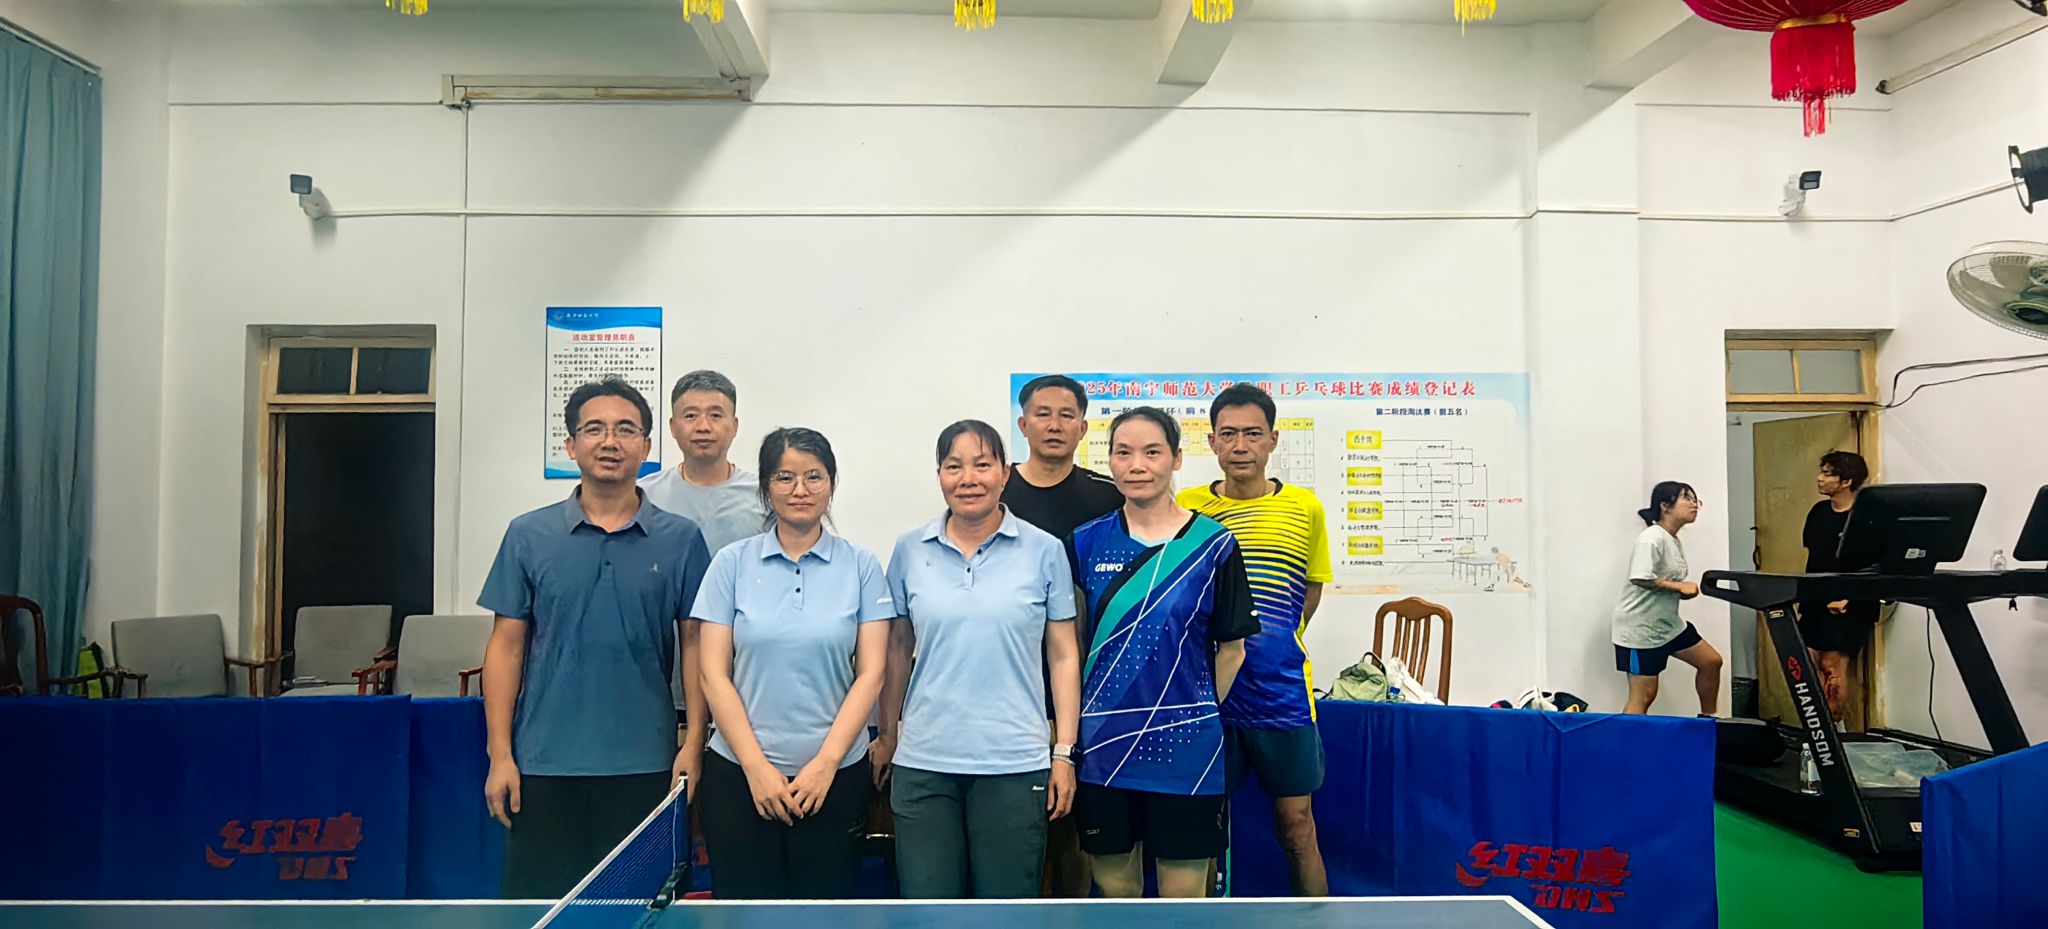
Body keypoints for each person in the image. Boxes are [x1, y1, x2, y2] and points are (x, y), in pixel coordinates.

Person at [479, 376, 712, 898]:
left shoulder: (681, 540)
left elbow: (697, 645)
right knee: (543, 911)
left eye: (626, 429)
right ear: (571, 445)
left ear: (646, 447)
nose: (610, 441)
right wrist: (500, 755)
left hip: (647, 764)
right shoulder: (528, 534)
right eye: (595, 429)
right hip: (543, 764)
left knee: (642, 911)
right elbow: (506, 647)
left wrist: (694, 742)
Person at [873, 420, 1082, 898]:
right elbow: (897, 648)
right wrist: (887, 735)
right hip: (925, 760)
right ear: (939, 475)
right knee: (928, 909)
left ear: (1005, 474)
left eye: (982, 465)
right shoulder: (910, 549)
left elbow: (1063, 656)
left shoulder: (1044, 550)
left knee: (1006, 911)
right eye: (954, 466)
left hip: (1014, 761)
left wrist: (1064, 752)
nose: (968, 479)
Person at [691, 427, 893, 899]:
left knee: (823, 913)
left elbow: (872, 674)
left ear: (831, 484)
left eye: (813, 476)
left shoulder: (861, 565)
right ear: (766, 487)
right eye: (784, 477)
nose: (799, 489)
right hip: (739, 775)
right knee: (744, 913)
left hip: (835, 778)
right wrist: (755, 768)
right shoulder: (731, 563)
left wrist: (826, 764)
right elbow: (712, 674)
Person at [1068, 407, 1260, 898]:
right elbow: (1071, 646)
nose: (1137, 465)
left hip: (1186, 750)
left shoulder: (1214, 545)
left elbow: (1232, 649)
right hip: (1103, 749)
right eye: (1123, 453)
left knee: (1184, 901)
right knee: (1115, 892)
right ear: (1110, 461)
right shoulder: (1085, 543)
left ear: (1176, 459)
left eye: (1152, 452)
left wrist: (1191, 711)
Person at [1176, 384, 1332, 896]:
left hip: (1283, 695)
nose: (1240, 445)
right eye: (1228, 434)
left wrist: (1274, 642)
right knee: (1204, 832)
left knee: (1297, 828)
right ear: (1212, 443)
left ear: (1272, 440)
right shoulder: (1188, 508)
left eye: (1252, 433)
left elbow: (1310, 589)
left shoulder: (1305, 508)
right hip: (1209, 696)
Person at [1001, 374, 1121, 897]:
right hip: (1007, 678)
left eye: (1066, 415)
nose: (1054, 424)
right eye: (1042, 414)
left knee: (1073, 822)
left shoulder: (1108, 497)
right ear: (1023, 424)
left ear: (1083, 428)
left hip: (1083, 679)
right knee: (1012, 825)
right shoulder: (993, 488)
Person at [640, 369, 769, 798]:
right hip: (665, 690)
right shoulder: (645, 497)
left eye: (716, 414)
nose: (703, 426)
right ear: (672, 426)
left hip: (748, 689)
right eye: (690, 415)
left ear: (735, 425)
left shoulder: (764, 497)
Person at [1612, 481, 1724, 716]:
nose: (1694, 505)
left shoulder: (1672, 539)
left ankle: (1708, 721)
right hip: (1640, 631)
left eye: (1696, 500)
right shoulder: (1651, 538)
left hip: (1668, 626)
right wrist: (1679, 586)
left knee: (1711, 662)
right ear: (1665, 506)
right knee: (1644, 695)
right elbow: (1640, 577)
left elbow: (1662, 583)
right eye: (1687, 499)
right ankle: (1625, 740)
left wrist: (1680, 592)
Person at [1799, 450, 1877, 722]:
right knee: (1806, 666)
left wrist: (1850, 598)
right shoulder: (1818, 513)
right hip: (1815, 600)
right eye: (1821, 472)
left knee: (1832, 667)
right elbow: (1814, 555)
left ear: (1846, 481)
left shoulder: (1867, 517)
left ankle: (1835, 734)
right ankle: (1814, 732)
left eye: (1827, 474)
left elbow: (1878, 563)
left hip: (1850, 604)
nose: (1820, 478)